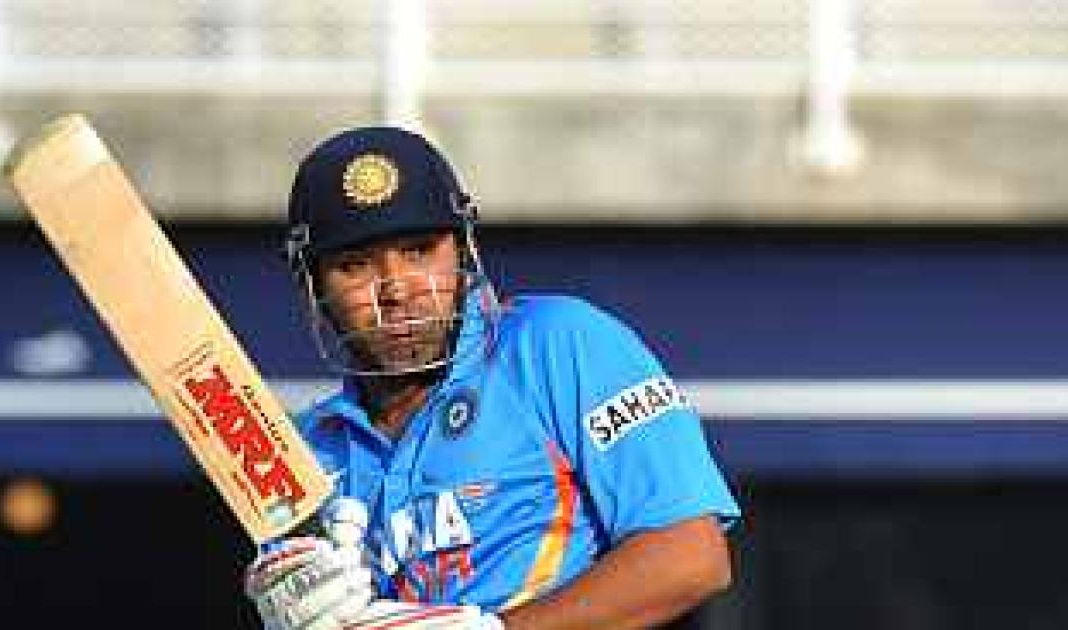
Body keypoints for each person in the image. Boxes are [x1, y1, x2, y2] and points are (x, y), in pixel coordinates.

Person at [244, 126, 741, 630]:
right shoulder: (307, 452)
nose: (395, 289)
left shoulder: (558, 344)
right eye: (355, 265)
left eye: (419, 251)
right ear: (313, 284)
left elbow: (691, 558)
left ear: (463, 251)